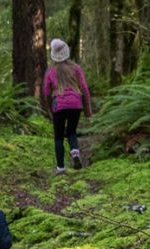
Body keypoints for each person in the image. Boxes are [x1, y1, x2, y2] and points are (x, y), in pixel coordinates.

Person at [43, 39, 92, 174]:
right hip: (76, 104)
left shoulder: (50, 71)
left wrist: (49, 109)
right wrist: (88, 109)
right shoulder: (76, 68)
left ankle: (60, 167)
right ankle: (75, 155)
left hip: (59, 105)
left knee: (58, 136)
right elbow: (84, 88)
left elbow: (46, 92)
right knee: (71, 132)